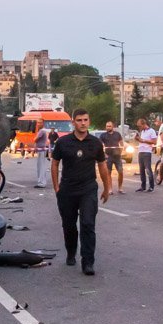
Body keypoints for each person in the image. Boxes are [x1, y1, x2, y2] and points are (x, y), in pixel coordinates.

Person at [51, 109, 111, 275]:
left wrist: (107, 188)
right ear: (73, 122)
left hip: (88, 189)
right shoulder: (63, 142)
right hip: (67, 190)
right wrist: (56, 186)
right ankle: (71, 252)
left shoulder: (95, 143)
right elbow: (55, 163)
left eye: (85, 120)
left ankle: (88, 262)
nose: (83, 123)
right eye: (79, 120)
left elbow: (102, 166)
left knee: (87, 224)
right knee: (69, 225)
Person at [101, 120, 125, 195]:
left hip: (117, 156)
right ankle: (110, 189)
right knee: (108, 173)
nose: (108, 127)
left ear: (113, 127)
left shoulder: (117, 134)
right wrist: (104, 154)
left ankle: (120, 188)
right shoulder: (103, 135)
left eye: (109, 126)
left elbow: (121, 143)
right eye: (107, 126)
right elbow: (101, 145)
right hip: (108, 156)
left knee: (120, 172)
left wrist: (122, 150)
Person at [134, 118, 157, 192]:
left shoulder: (151, 131)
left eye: (140, 126)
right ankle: (143, 186)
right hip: (141, 151)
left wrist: (143, 140)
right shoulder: (142, 131)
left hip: (147, 152)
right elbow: (141, 140)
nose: (139, 128)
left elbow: (154, 141)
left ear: (144, 124)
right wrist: (138, 139)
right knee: (141, 170)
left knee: (148, 169)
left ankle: (151, 186)